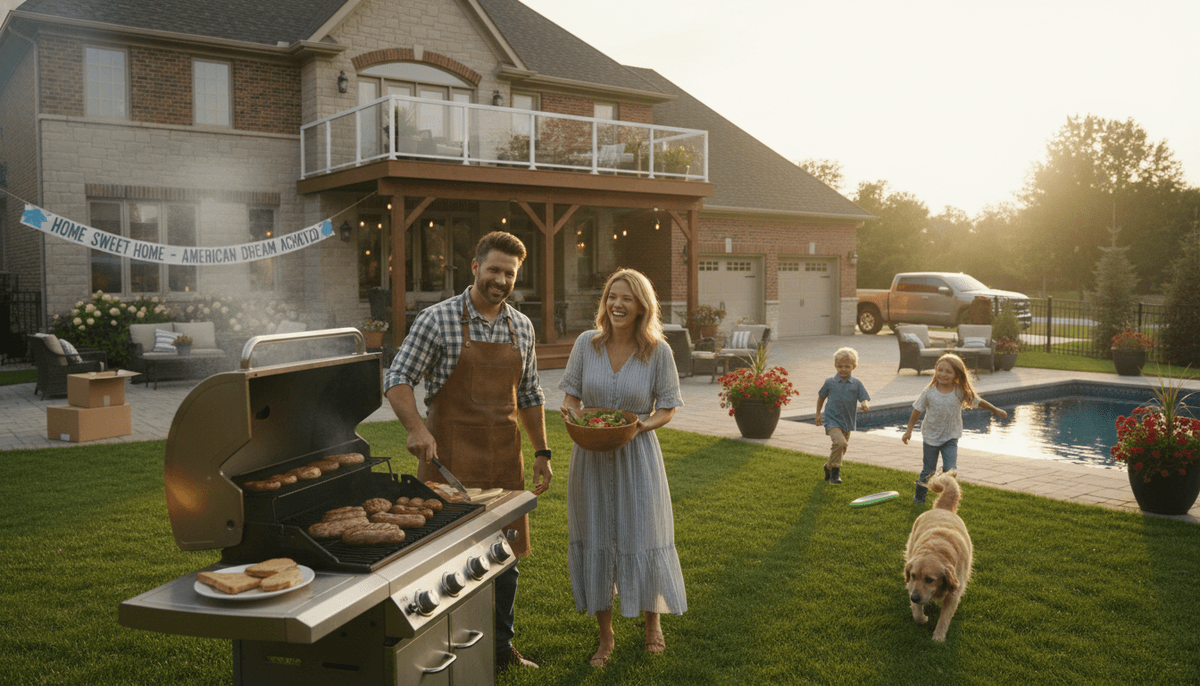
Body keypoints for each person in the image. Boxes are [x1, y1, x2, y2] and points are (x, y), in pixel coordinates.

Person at [384, 230, 553, 671]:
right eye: (494, 269)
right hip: (449, 464)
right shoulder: (437, 320)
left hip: (505, 462)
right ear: (475, 267)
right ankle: (442, 650)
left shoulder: (522, 326)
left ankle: (500, 649)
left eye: (510, 273)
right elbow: (397, 378)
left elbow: (531, 394)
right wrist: (417, 428)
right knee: (443, 563)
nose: (501, 279)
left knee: (506, 561)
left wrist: (542, 452)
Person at [558, 269, 686, 668]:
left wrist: (640, 425)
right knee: (596, 536)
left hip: (637, 454)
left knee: (643, 534)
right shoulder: (586, 344)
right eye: (612, 296)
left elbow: (667, 406)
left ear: (642, 306)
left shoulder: (658, 351)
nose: (617, 304)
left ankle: (652, 624)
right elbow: (571, 397)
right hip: (590, 455)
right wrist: (574, 418)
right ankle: (606, 636)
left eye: (627, 298)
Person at [901, 353, 1007, 503]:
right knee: (928, 471)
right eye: (940, 370)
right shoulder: (929, 392)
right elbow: (916, 410)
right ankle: (919, 498)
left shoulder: (959, 391)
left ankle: (946, 499)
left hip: (951, 437)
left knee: (951, 470)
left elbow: (978, 401)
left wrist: (995, 410)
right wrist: (908, 431)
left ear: (956, 374)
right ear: (935, 370)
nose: (943, 374)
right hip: (931, 437)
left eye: (948, 372)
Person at [814, 347, 871, 485]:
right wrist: (818, 414)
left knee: (842, 447)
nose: (843, 369)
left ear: (853, 366)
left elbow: (863, 397)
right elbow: (821, 397)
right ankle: (835, 475)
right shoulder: (830, 382)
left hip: (847, 420)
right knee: (840, 443)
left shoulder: (857, 384)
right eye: (840, 366)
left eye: (847, 366)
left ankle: (828, 467)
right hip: (831, 419)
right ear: (835, 366)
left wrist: (864, 404)